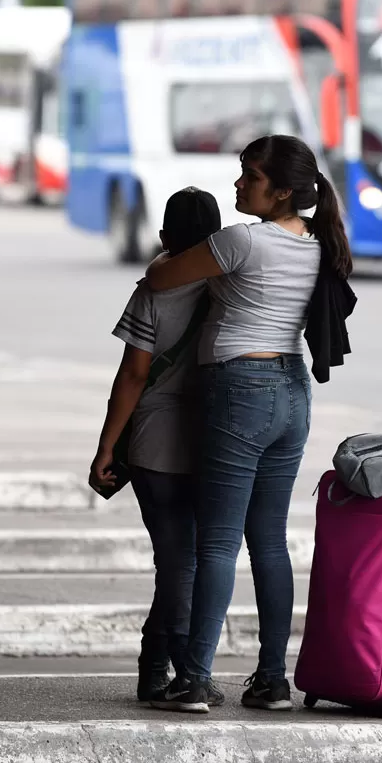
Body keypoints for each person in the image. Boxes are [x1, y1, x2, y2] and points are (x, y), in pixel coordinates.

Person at [143, 134, 353, 714]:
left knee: (215, 542)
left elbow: (162, 279)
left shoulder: (239, 241)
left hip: (239, 388)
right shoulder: (318, 243)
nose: (237, 185)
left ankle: (193, 679)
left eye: (249, 176)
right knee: (269, 542)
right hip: (292, 392)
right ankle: (271, 680)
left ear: (282, 190)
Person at [88, 187, 223, 706]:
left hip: (153, 446)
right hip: (215, 442)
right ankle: (177, 669)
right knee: (189, 562)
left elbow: (133, 373)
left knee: (175, 562)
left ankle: (160, 667)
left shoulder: (154, 289)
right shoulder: (232, 284)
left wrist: (106, 447)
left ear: (165, 236)